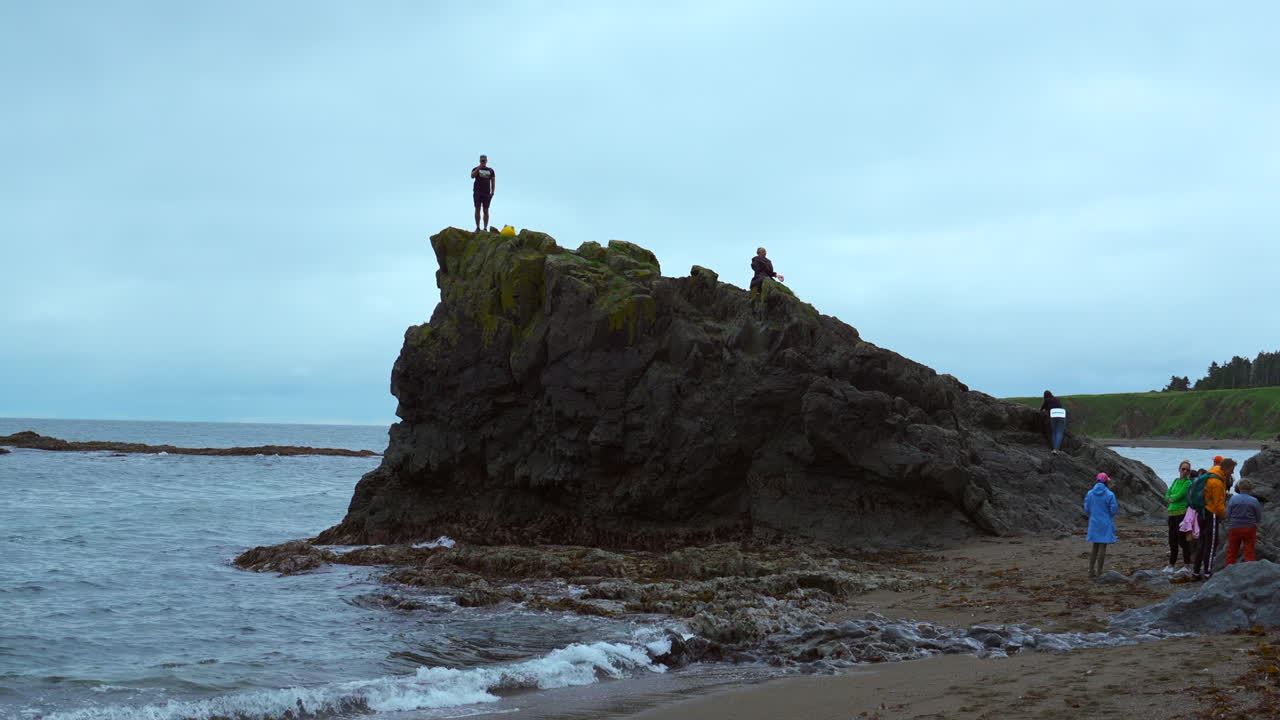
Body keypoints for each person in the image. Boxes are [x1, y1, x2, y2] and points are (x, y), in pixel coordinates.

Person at [1191, 458, 1233, 580]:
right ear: (1226, 468)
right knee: (1211, 543)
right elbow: (1218, 503)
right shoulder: (1217, 482)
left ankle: (1196, 572)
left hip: (1202, 512)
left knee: (1202, 542)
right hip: (1211, 513)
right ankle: (1208, 572)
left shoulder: (1211, 474)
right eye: (1232, 470)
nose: (1232, 473)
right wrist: (1225, 515)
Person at [1084, 472, 1118, 578]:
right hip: (1105, 521)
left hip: (1094, 521)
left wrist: (1093, 514)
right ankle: (1099, 571)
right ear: (1106, 481)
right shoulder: (1110, 494)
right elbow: (1113, 509)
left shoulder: (1090, 493)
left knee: (1095, 546)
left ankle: (1091, 570)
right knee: (1103, 546)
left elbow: (1086, 508)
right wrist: (1108, 515)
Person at [1163, 460, 1194, 573]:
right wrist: (1169, 497)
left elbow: (1181, 494)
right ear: (1179, 469)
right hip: (1171, 513)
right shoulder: (1175, 481)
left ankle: (1186, 565)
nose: (1185, 471)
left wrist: (1172, 498)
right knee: (1172, 539)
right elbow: (1167, 493)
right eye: (1183, 469)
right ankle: (1171, 564)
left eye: (1187, 469)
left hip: (1182, 514)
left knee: (1183, 540)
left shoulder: (1188, 483)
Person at [1226, 477, 1261, 566]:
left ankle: (1228, 570)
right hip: (1249, 528)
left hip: (1234, 527)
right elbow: (1258, 516)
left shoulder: (1233, 499)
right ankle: (1249, 571)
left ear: (1239, 488)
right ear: (1250, 488)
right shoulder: (1254, 500)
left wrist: (1231, 522)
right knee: (1249, 551)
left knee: (1232, 552)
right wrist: (1255, 523)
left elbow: (1228, 514)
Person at [470, 154, 496, 232]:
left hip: (487, 193)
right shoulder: (475, 169)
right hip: (477, 192)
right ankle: (477, 227)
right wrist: (479, 167)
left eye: (484, 160)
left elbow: (493, 181)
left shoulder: (491, 170)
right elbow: (472, 176)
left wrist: (493, 192)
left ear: (487, 161)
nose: (483, 161)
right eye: (482, 160)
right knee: (477, 209)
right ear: (480, 161)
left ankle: (485, 228)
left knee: (486, 210)